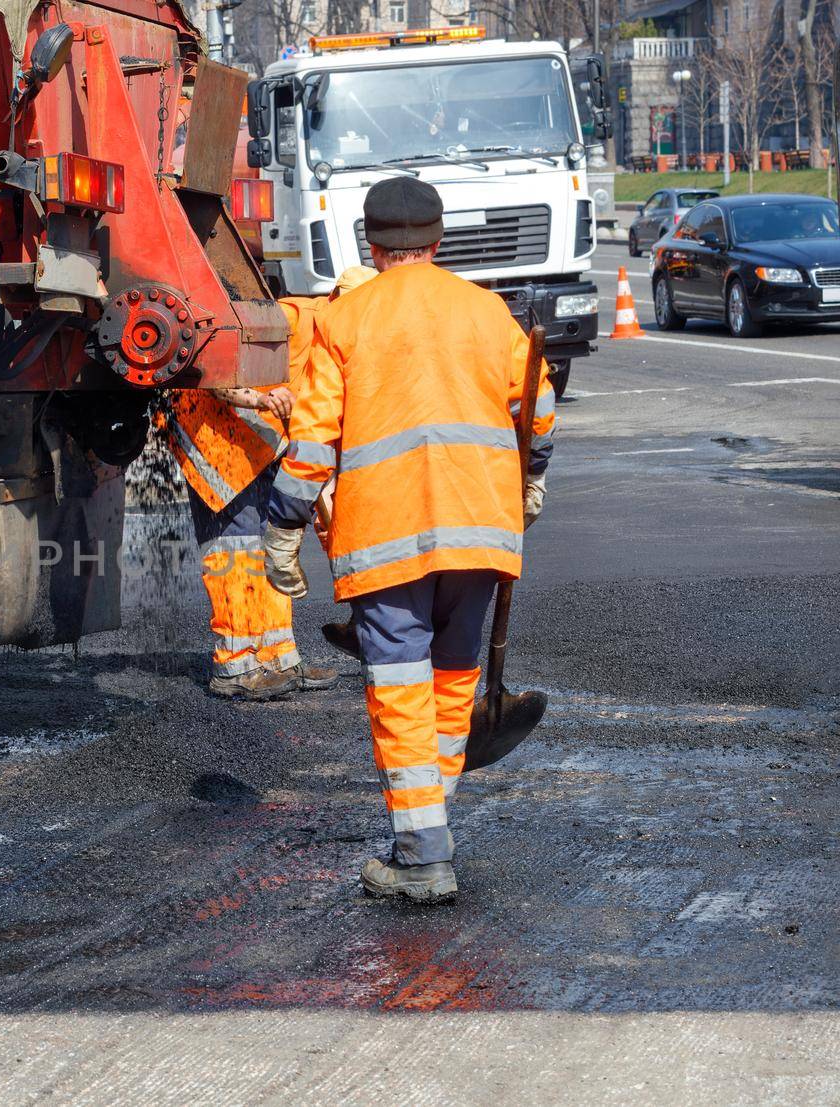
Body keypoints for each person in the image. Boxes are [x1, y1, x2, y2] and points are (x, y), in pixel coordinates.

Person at [260, 177, 554, 902]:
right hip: (482, 530)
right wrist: (533, 478)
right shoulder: (487, 311)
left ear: (371, 243)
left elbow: (313, 440)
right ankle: (431, 825)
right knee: (453, 679)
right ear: (439, 241)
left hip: (388, 537)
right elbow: (538, 409)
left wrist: (281, 527)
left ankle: (422, 856)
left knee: (399, 689)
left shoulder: (344, 320)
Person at [166, 267, 376, 701]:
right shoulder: (290, 318)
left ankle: (279, 657)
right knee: (236, 547)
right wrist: (260, 398)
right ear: (340, 302)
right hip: (210, 429)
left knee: (272, 546)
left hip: (257, 439)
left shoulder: (348, 346)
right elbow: (214, 363)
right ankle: (236, 665)